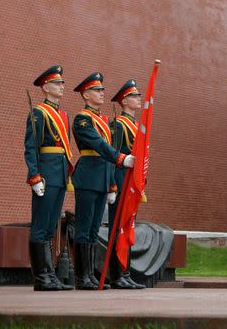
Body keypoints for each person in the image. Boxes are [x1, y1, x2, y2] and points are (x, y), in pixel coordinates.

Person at [71, 72, 135, 290]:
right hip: (88, 176)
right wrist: (121, 158)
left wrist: (111, 184)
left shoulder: (103, 119)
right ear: (86, 95)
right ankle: (82, 277)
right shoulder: (82, 119)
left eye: (102, 90)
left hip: (101, 178)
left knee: (93, 229)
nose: (102, 93)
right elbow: (99, 145)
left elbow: (107, 154)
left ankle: (90, 276)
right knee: (83, 227)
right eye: (97, 90)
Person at [24, 65, 74, 291]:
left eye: (62, 83)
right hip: (45, 174)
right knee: (40, 226)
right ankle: (41, 277)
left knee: (51, 226)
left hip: (60, 173)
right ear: (45, 87)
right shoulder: (38, 113)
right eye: (57, 83)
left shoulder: (64, 115)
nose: (62, 86)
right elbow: (31, 147)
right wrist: (34, 176)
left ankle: (50, 274)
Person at [107, 79, 146, 289]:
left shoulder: (135, 125)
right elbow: (113, 157)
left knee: (128, 226)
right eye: (134, 96)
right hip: (121, 179)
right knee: (117, 227)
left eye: (139, 95)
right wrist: (112, 185)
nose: (138, 99)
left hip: (132, 182)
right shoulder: (118, 125)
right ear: (124, 101)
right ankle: (117, 274)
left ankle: (126, 272)